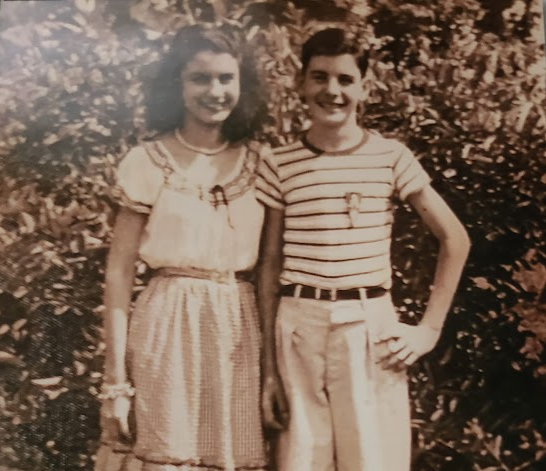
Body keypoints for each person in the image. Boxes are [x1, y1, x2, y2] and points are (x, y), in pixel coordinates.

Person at [256, 27, 471, 471]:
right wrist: (269, 371)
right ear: (300, 83)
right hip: (297, 325)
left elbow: (455, 238)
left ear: (364, 88)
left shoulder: (391, 157)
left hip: (368, 326)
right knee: (300, 461)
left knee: (373, 460)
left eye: (345, 79)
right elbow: (269, 265)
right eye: (319, 77)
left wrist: (428, 330)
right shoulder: (279, 163)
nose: (331, 91)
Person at [94, 23, 268, 471]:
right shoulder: (146, 162)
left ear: (241, 84)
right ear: (178, 84)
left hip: (238, 330)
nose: (215, 91)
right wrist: (115, 383)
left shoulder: (263, 163)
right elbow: (118, 274)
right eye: (200, 78)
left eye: (226, 79)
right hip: (165, 325)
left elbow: (272, 269)